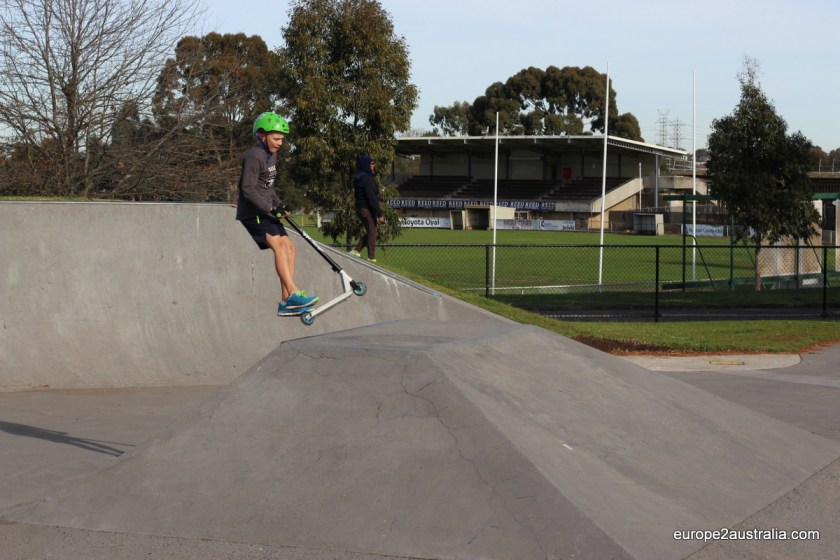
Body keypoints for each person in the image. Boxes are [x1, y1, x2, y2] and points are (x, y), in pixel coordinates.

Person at [236, 112, 318, 316]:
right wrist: (269, 208)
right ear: (262, 135)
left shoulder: (272, 155)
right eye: (276, 138)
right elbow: (247, 189)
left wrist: (279, 204)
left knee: (290, 249)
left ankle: (286, 302)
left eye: (282, 139)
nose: (280, 143)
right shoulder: (254, 156)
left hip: (266, 209)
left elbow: (267, 185)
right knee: (280, 247)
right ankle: (293, 293)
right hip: (253, 212)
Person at [350, 155, 385, 262]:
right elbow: (371, 197)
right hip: (365, 208)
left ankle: (356, 251)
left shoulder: (361, 176)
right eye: (371, 163)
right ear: (366, 165)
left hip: (361, 208)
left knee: (372, 231)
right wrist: (379, 214)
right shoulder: (366, 178)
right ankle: (371, 258)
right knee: (372, 232)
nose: (373, 165)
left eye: (373, 163)